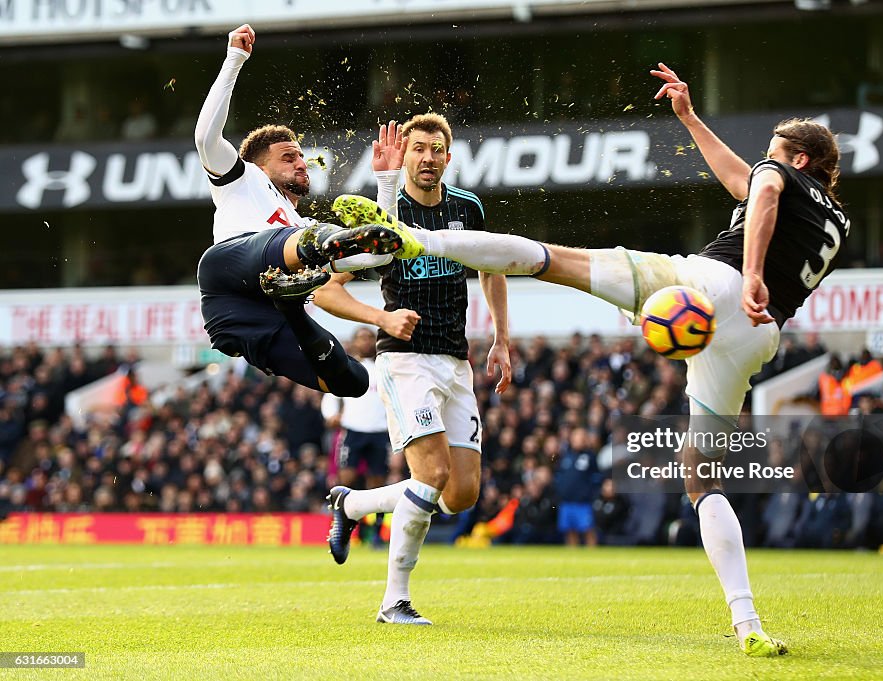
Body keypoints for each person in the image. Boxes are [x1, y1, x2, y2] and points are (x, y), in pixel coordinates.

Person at [328, 63, 850, 655]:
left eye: (776, 152)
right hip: (757, 337)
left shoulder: (781, 179)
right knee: (702, 480)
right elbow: (743, 183)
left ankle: (423, 239)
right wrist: (689, 118)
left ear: (799, 159)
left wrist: (751, 271)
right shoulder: (834, 215)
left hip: (718, 288)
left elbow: (762, 189)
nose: (766, 159)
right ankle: (748, 623)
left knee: (554, 260)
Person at [322, 113, 512, 626]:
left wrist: (501, 337)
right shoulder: (382, 213)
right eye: (419, 149)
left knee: (461, 494)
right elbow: (326, 288)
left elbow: (493, 267)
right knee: (428, 477)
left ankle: (355, 505)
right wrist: (380, 316)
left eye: (436, 149)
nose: (428, 157)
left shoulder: (467, 208)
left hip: (456, 361)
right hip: (404, 360)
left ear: (448, 157)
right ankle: (393, 602)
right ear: (403, 157)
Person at [194, 24, 417, 398]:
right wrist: (234, 58)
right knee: (313, 238)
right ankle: (311, 267)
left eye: (301, 157)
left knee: (353, 382)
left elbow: (376, 256)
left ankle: (291, 305)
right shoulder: (242, 179)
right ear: (260, 166)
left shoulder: (302, 222)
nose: (301, 163)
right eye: (288, 157)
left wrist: (388, 180)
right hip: (228, 279)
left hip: (260, 314)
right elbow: (205, 138)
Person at [320, 327, 391, 543]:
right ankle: (345, 528)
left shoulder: (385, 367)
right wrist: (331, 415)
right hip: (353, 430)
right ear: (354, 342)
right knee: (347, 479)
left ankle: (376, 533)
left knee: (378, 482)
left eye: (370, 337)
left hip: (380, 430)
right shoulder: (346, 366)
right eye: (362, 338)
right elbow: (331, 394)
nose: (366, 342)